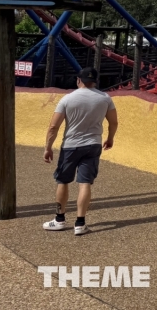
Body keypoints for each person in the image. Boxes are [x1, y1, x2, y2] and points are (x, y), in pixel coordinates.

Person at [42, 67, 118, 235]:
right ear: (95, 81)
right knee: (85, 183)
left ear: (79, 80)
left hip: (70, 145)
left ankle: (59, 220)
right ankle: (80, 223)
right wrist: (110, 138)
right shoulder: (105, 98)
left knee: (63, 181)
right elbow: (113, 122)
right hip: (93, 145)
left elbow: (54, 126)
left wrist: (48, 147)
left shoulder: (67, 99)